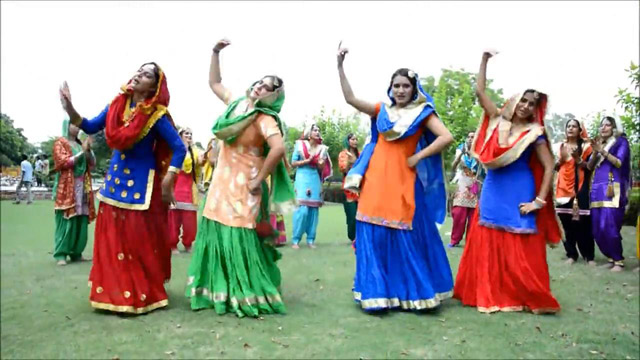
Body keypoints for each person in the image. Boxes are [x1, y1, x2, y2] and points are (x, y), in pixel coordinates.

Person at [59, 62, 186, 314]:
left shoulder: (155, 114)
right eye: (139, 70)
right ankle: (112, 293)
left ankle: (141, 292)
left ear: (155, 87)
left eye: (147, 74)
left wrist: (169, 179)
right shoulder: (117, 105)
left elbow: (179, 148)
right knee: (111, 238)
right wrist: (70, 107)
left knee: (137, 241)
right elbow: (90, 125)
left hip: (142, 186)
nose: (139, 74)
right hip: (114, 182)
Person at [337, 44, 454, 313]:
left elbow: (446, 137)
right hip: (375, 178)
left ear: (414, 88)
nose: (400, 90)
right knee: (372, 230)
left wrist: (418, 156)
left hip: (404, 179)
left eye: (405, 86)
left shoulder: (423, 113)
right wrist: (340, 67)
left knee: (405, 232)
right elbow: (351, 99)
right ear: (391, 88)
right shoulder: (381, 110)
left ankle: (412, 293)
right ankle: (377, 294)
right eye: (396, 85)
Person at [185, 39, 295, 318]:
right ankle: (216, 289)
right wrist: (215, 52)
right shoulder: (236, 104)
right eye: (260, 82)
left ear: (273, 97)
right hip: (222, 181)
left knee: (239, 233)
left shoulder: (264, 118)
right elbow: (214, 83)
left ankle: (245, 291)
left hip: (245, 183)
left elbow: (279, 148)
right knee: (217, 229)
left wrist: (259, 181)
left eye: (268, 87)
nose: (260, 87)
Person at [454, 51, 562, 314]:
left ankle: (522, 294)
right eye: (523, 100)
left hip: (520, 188)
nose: (526, 106)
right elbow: (480, 92)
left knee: (520, 237)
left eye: (532, 104)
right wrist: (484, 60)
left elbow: (549, 166)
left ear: (537, 109)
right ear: (516, 100)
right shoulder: (497, 120)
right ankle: (489, 292)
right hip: (493, 187)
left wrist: (539, 201)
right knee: (488, 233)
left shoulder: (534, 133)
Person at [587, 115, 631, 272]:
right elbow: (589, 167)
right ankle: (610, 257)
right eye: (602, 125)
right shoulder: (601, 144)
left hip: (612, 188)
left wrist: (603, 152)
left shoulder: (620, 142)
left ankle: (618, 260)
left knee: (609, 224)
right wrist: (594, 152)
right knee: (597, 228)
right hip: (597, 189)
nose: (603, 128)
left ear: (614, 128)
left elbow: (619, 162)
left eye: (607, 125)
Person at [51, 119, 96, 265]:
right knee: (66, 219)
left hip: (83, 186)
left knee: (81, 218)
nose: (77, 128)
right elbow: (63, 162)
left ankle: (77, 252)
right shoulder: (60, 142)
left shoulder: (79, 144)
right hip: (67, 186)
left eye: (78, 126)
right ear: (67, 125)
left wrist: (88, 150)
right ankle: (61, 254)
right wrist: (81, 153)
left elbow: (92, 164)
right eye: (73, 125)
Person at [554, 119, 595, 265]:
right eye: (568, 126)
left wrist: (577, 159)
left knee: (583, 223)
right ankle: (571, 254)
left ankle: (589, 256)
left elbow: (589, 167)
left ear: (579, 130)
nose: (570, 128)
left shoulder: (585, 147)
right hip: (562, 188)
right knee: (566, 224)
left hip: (580, 187)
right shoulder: (560, 146)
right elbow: (555, 166)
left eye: (574, 126)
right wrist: (560, 160)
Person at [290, 123, 332, 249]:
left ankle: (310, 240)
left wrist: (320, 163)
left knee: (313, 210)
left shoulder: (322, 149)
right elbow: (293, 163)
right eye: (315, 130)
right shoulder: (300, 145)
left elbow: (321, 168)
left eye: (318, 130)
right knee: (302, 210)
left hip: (314, 177)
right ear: (309, 133)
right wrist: (307, 161)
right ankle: (296, 239)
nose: (317, 132)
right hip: (302, 176)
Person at [168, 127, 205, 254]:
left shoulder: (195, 151)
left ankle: (188, 243)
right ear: (181, 135)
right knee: (174, 219)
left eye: (190, 133)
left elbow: (201, 163)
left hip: (189, 188)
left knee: (189, 220)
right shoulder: (175, 150)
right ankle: (172, 245)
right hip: (176, 186)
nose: (189, 135)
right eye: (186, 133)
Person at [448, 131, 481, 248]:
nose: (471, 139)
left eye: (473, 137)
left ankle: (470, 242)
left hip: (475, 185)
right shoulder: (461, 149)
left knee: (473, 217)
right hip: (462, 184)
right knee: (458, 214)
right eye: (469, 137)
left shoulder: (480, 148)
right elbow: (454, 166)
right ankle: (454, 240)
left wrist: (475, 154)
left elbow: (481, 166)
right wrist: (461, 155)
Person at [338, 133, 360, 244]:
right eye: (352, 139)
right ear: (348, 141)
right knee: (351, 215)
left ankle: (360, 237)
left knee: (361, 214)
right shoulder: (343, 154)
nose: (355, 141)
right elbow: (344, 170)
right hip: (349, 187)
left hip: (360, 186)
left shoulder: (360, 154)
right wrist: (350, 162)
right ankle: (353, 237)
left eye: (356, 139)